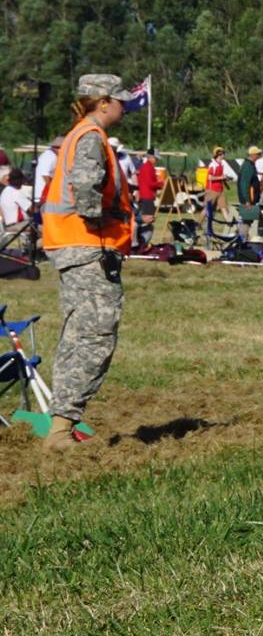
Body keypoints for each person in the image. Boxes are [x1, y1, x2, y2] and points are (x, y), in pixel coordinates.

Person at [38, 73, 134, 445]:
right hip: (88, 245)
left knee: (76, 336)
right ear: (103, 102)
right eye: (119, 100)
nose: (124, 107)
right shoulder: (91, 137)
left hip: (72, 245)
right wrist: (102, 223)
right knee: (95, 335)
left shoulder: (79, 134)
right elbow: (86, 188)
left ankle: (62, 423)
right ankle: (62, 427)